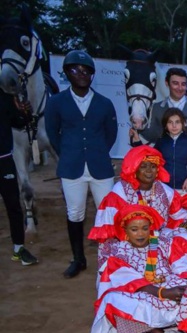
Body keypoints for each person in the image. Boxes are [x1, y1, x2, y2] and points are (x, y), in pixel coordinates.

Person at [44, 50, 118, 278]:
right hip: (71, 167)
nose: (81, 74)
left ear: (93, 75)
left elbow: (111, 134)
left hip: (100, 167)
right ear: (67, 73)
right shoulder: (56, 102)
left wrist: (96, 152)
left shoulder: (104, 103)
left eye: (86, 71)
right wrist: (69, 153)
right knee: (75, 213)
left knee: (107, 214)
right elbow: (52, 134)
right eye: (75, 69)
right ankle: (79, 259)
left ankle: (110, 261)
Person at [90, 204, 187, 333]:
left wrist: (183, 288)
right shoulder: (119, 251)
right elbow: (131, 281)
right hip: (142, 292)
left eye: (145, 228)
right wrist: (163, 293)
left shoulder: (164, 243)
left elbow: (182, 268)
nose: (140, 234)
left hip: (167, 287)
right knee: (112, 299)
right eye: (134, 229)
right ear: (125, 231)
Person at [1, 91, 38, 265]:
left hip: (4, 160)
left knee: (13, 205)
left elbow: (19, 123)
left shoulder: (5, 97)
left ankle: (19, 248)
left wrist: (25, 113)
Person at [132, 108, 187, 192]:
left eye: (177, 122)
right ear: (166, 125)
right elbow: (149, 159)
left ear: (183, 123)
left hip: (186, 189)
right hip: (165, 189)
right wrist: (137, 142)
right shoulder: (161, 142)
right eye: (170, 122)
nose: (174, 126)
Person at [133, 67, 187, 145]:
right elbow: (153, 135)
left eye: (183, 84)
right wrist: (140, 128)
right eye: (175, 83)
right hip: (165, 156)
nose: (180, 88)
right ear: (167, 83)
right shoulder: (156, 108)